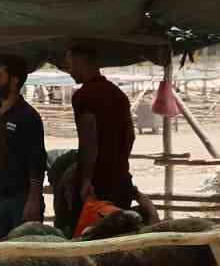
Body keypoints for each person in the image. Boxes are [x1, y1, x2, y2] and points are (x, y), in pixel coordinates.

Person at [63, 43, 157, 223]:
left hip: (98, 184)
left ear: (81, 63)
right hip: (120, 180)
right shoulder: (118, 94)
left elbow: (89, 141)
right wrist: (119, 164)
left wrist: (86, 180)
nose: (69, 71)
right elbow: (130, 136)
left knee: (90, 237)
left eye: (70, 65)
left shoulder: (84, 96)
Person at [0, 55, 47, 236]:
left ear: (14, 80)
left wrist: (33, 200)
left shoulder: (28, 116)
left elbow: (37, 159)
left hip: (22, 198)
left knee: (23, 252)